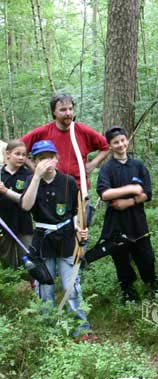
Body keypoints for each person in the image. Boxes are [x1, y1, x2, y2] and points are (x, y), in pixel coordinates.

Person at [21, 140, 93, 340]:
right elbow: (26, 206)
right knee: (46, 286)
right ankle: (48, 331)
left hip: (67, 239)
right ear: (34, 162)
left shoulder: (68, 182)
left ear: (57, 159)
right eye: (41, 159)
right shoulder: (31, 180)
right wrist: (36, 177)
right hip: (42, 241)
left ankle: (82, 329)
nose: (46, 162)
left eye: (50, 157)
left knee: (72, 287)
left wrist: (80, 228)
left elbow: (76, 211)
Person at [96, 126, 157, 302]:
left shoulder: (138, 165)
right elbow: (104, 193)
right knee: (122, 261)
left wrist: (128, 201)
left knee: (147, 258)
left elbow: (147, 193)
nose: (121, 144)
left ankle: (152, 287)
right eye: (116, 142)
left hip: (138, 222)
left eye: (123, 140)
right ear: (110, 146)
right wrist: (130, 189)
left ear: (127, 140)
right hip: (116, 224)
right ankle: (128, 294)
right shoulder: (107, 168)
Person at [20, 93, 109, 189]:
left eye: (70, 109)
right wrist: (32, 167)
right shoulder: (43, 132)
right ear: (54, 112)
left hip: (78, 188)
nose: (68, 113)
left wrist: (93, 163)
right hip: (49, 187)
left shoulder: (82, 130)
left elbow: (107, 146)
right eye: (63, 110)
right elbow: (16, 149)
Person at [0, 140, 33, 270]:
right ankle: (11, 285)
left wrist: (6, 191)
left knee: (27, 254)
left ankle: (31, 284)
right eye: (17, 154)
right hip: (3, 223)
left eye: (24, 155)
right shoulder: (1, 174)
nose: (21, 157)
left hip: (23, 222)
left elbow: (27, 200)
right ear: (8, 154)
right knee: (5, 255)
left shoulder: (28, 175)